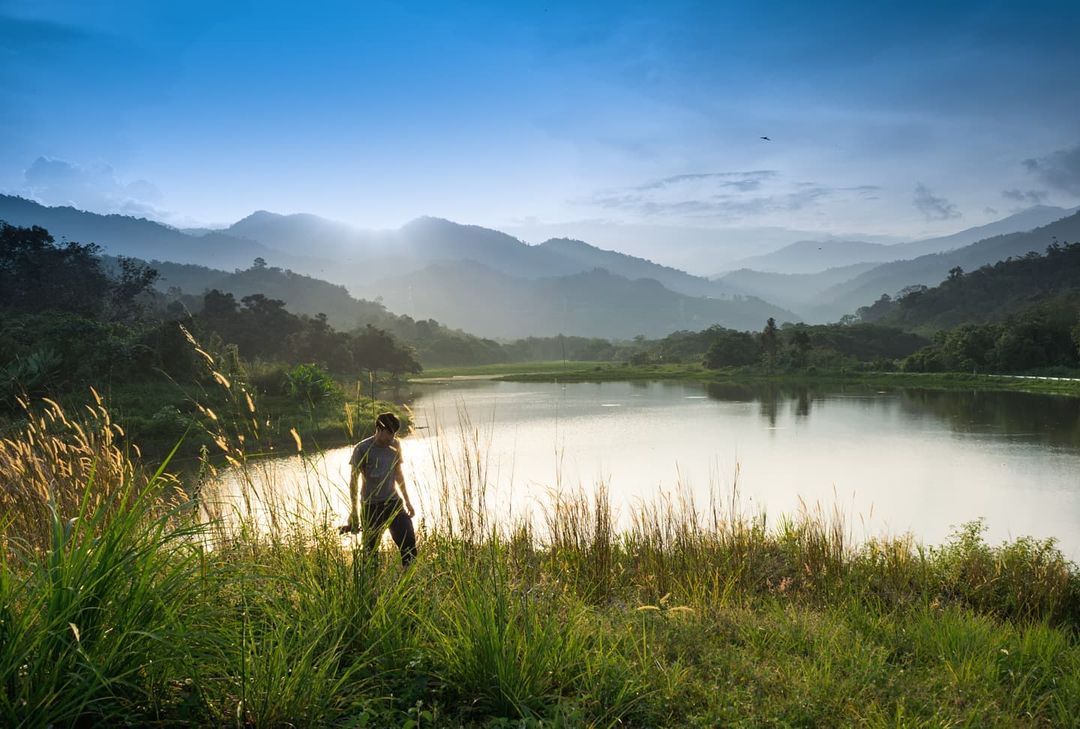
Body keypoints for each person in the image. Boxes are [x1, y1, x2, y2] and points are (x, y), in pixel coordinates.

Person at [340, 411, 417, 566]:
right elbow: (353, 482)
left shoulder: (395, 444)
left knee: (409, 544)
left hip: (393, 503)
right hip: (371, 506)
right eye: (389, 433)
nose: (391, 437)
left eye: (394, 434)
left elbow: (398, 473)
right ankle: (372, 580)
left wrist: (408, 501)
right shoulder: (362, 449)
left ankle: (408, 577)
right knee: (370, 554)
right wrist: (354, 512)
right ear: (379, 429)